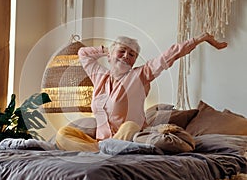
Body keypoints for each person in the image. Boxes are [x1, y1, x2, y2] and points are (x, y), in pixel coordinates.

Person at [55, 32, 227, 152]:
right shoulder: (99, 76)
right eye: (121, 51)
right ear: (110, 55)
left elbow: (168, 56)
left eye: (131, 55)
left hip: (130, 137)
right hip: (100, 143)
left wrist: (199, 39)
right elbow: (82, 53)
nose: (126, 56)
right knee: (64, 134)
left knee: (129, 126)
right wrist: (107, 49)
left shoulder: (140, 75)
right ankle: (101, 150)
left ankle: (113, 149)